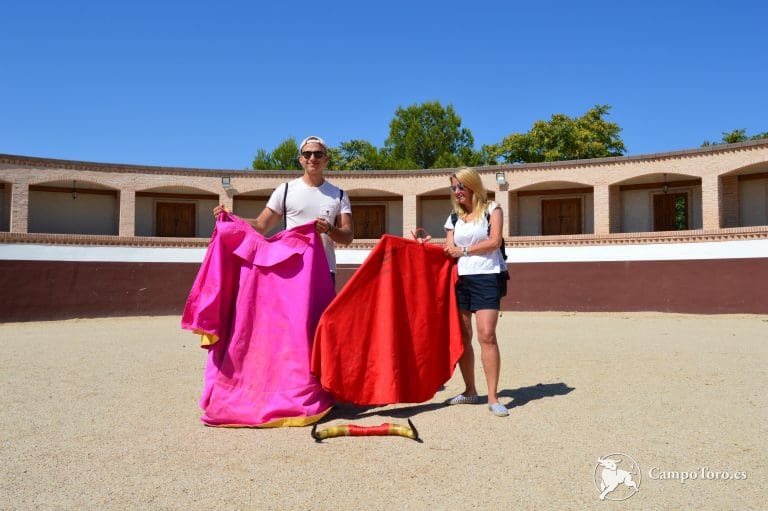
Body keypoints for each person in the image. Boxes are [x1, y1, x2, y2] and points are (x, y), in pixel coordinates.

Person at [214, 135, 354, 280]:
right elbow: (261, 225)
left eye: (318, 154)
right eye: (307, 154)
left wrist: (329, 229)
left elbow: (348, 236)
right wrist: (231, 217)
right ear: (301, 159)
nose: (312, 158)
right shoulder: (285, 190)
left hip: (324, 270)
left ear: (326, 160)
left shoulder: (339, 194)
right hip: (292, 269)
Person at [443, 167, 509, 417]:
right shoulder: (453, 218)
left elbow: (495, 241)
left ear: (473, 186)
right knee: (463, 337)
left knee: (487, 335)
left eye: (461, 186)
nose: (457, 191)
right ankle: (470, 390)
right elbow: (449, 248)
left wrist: (465, 251)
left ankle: (493, 397)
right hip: (460, 279)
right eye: (454, 187)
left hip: (487, 276)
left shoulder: (493, 209)